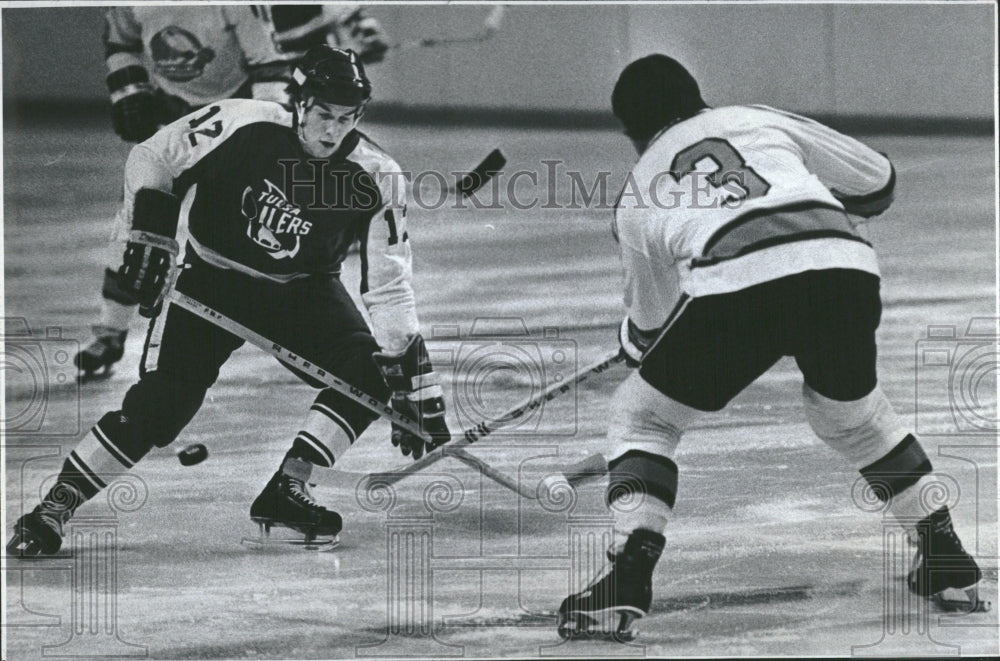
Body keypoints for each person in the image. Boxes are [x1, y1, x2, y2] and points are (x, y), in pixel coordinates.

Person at [557, 54, 987, 640]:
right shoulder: (754, 118)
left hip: (739, 285)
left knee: (644, 416)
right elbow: (878, 182)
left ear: (631, 134)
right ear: (698, 97)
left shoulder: (636, 192)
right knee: (852, 418)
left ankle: (627, 576)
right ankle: (944, 554)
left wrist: (636, 350)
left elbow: (650, 328)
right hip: (845, 268)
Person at [8, 46, 448, 556]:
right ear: (299, 102)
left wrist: (413, 378)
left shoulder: (375, 176)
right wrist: (148, 232)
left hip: (301, 293)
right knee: (161, 404)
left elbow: (389, 287)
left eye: (346, 119)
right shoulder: (244, 122)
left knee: (368, 372)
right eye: (323, 114)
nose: (332, 131)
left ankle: (288, 488)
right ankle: (54, 509)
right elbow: (153, 156)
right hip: (209, 279)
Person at [77, 5, 389, 378]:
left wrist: (265, 148)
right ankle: (111, 329)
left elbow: (268, 64)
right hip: (175, 111)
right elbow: (121, 40)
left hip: (236, 119)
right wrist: (128, 88)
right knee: (140, 215)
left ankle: (311, 335)